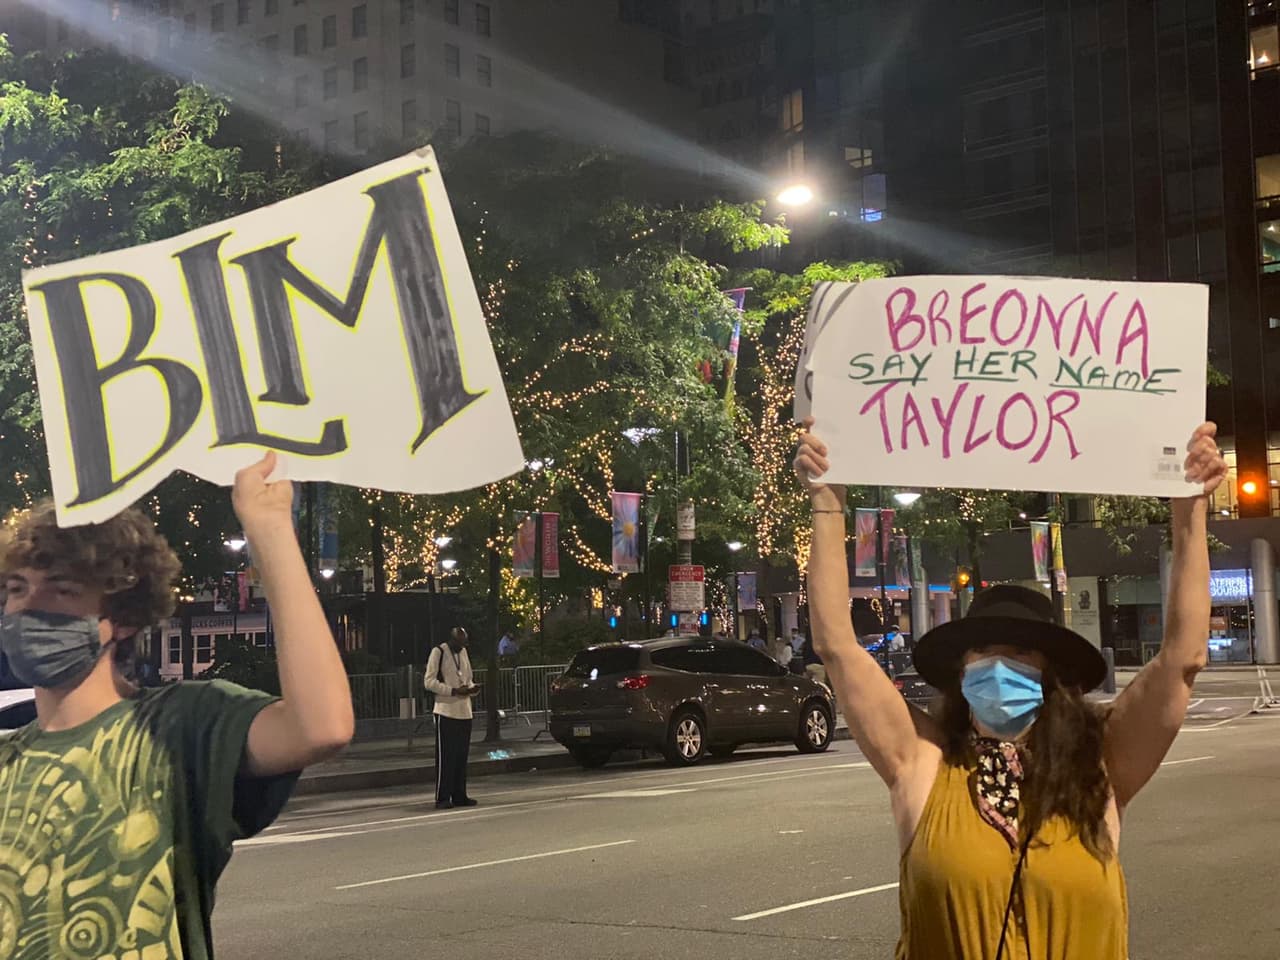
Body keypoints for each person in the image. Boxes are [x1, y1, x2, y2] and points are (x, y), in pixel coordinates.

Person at [794, 418, 1225, 960]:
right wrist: (827, 500)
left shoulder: (1101, 765)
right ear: (960, 669)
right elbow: (838, 646)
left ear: (1050, 677)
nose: (1000, 666)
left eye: (1021, 654)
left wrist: (1190, 508)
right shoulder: (922, 760)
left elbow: (1183, 658)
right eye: (984, 652)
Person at [0, 453, 354, 958]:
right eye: (16, 589)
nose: (29, 606)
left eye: (62, 589)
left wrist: (270, 529)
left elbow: (321, 727)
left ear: (121, 617)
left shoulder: (179, 726)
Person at [425, 627, 480, 809]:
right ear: (452, 640)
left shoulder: (463, 652)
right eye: (460, 643)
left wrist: (471, 688)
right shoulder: (438, 652)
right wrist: (453, 691)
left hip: (464, 711)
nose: (463, 646)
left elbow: (468, 677)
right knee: (446, 757)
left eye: (465, 643)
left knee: (460, 756)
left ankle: (459, 794)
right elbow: (429, 681)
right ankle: (442, 797)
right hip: (446, 711)